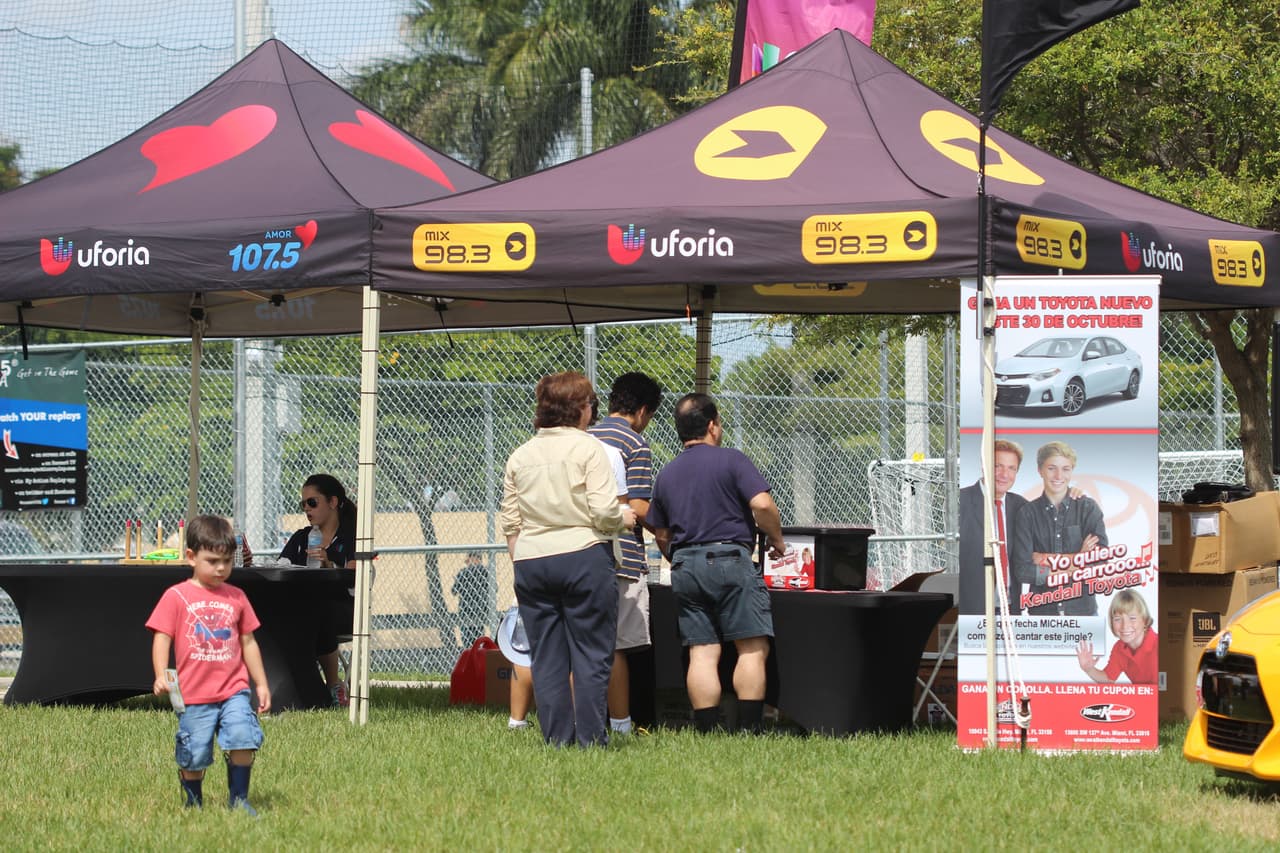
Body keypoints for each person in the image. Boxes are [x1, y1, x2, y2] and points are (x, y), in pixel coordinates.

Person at [500, 371, 636, 747]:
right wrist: (623, 519)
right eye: (591, 403)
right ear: (579, 408)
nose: (593, 411)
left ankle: (557, 739)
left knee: (546, 655)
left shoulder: (520, 454)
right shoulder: (589, 448)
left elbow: (510, 520)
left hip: (531, 561)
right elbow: (604, 512)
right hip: (583, 556)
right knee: (591, 653)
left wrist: (522, 557)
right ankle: (591, 739)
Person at [648, 393, 786, 734]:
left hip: (686, 565)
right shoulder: (732, 461)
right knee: (752, 646)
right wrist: (777, 539)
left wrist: (677, 557)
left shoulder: (667, 474)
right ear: (712, 425)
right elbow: (763, 505)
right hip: (730, 559)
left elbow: (660, 531)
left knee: (702, 651)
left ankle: (707, 731)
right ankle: (749, 729)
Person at [146, 514, 270, 815]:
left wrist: (261, 683)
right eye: (212, 560)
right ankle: (193, 802)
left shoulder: (236, 597)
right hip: (193, 695)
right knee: (194, 752)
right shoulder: (176, 596)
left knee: (242, 736)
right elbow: (162, 637)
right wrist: (161, 674)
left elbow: (248, 642)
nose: (221, 568)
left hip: (233, 690)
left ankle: (239, 799)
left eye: (227, 561)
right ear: (191, 557)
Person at [587, 371, 663, 737]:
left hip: (584, 552)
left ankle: (585, 718)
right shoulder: (635, 444)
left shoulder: (585, 436)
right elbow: (638, 507)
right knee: (620, 644)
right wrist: (667, 531)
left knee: (587, 642)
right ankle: (621, 723)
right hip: (624, 557)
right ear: (644, 411)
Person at [280, 473, 356, 707]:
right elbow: (281, 567)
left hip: (344, 608)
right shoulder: (301, 538)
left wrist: (329, 564)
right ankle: (292, 686)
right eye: (303, 504)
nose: (306, 509)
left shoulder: (352, 537)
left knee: (317, 610)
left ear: (332, 502)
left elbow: (355, 577)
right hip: (303, 608)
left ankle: (333, 685)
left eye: (312, 502)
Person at [1011, 441, 1108, 616]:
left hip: (1082, 610)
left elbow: (1099, 563)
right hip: (1043, 612)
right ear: (1040, 470)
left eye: (1065, 469)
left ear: (1072, 471)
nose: (1058, 475)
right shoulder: (1027, 514)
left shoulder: (1087, 508)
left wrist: (1045, 559)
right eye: (1051, 468)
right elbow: (1022, 571)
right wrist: (1078, 559)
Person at [958, 439, 1029, 615]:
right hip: (972, 609)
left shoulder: (1022, 506)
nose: (1005, 474)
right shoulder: (961, 501)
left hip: (1011, 608)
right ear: (984, 465)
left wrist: (1073, 497)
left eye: (1011, 468)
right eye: (998, 466)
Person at [1076, 589, 1158, 684]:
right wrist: (1089, 669)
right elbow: (1108, 678)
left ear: (1145, 620)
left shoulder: (1160, 645)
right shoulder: (1119, 648)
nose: (1125, 625)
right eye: (1118, 619)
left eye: (1132, 618)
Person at [452, 551, 490, 646]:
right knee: (479, 638)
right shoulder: (485, 572)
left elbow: (454, 591)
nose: (467, 562)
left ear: (473, 559)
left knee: (467, 640)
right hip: (480, 610)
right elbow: (494, 589)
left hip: (466, 610)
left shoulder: (463, 573)